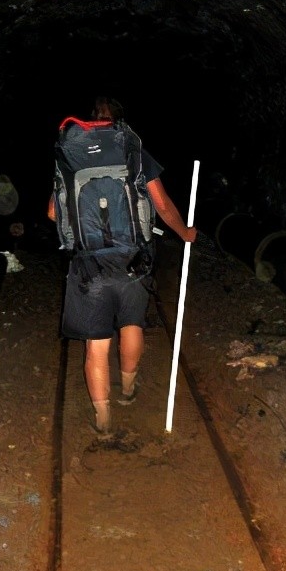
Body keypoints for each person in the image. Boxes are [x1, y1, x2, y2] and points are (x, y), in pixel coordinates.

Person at [48, 97, 196, 436]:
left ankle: (103, 420)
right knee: (132, 324)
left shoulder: (73, 155)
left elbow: (54, 213)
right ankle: (128, 390)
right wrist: (185, 232)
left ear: (91, 121)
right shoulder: (132, 148)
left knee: (96, 346)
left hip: (89, 265)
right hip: (132, 260)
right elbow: (161, 204)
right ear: (119, 122)